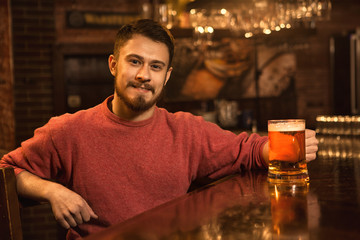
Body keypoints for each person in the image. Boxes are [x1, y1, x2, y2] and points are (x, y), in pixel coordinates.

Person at [0, 19, 319, 239]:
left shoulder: (187, 131)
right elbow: (6, 170)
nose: (144, 75)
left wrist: (286, 147)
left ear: (166, 76)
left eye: (155, 66)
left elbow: (246, 149)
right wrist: (52, 190)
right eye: (134, 61)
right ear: (114, 64)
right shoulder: (68, 131)